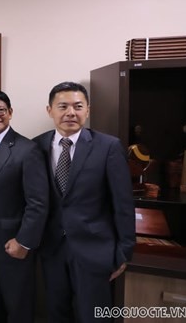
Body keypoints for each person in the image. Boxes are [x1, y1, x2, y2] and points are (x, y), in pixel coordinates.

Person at [33, 82, 135, 323]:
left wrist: (124, 251)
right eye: (63, 106)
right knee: (57, 313)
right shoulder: (35, 146)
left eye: (78, 106)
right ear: (50, 110)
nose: (71, 112)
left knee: (95, 317)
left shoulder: (108, 146)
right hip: (52, 248)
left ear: (87, 110)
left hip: (95, 250)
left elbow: (123, 203)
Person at [0, 90, 49, 323]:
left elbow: (38, 202)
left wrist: (24, 241)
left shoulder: (27, 149)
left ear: (10, 113)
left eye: (0, 110)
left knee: (18, 304)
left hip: (13, 242)